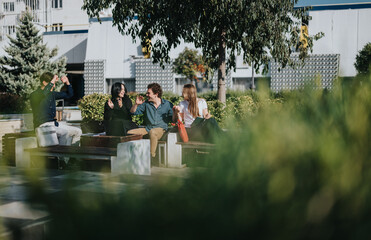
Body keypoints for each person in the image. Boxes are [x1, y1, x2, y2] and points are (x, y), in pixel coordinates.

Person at [30, 72, 82, 146]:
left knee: (77, 131)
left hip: (54, 125)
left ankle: (73, 157)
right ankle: (61, 156)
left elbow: (69, 94)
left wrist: (67, 82)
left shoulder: (52, 94)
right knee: (64, 133)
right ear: (44, 83)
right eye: (52, 83)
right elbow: (44, 93)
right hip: (42, 126)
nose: (53, 86)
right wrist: (53, 79)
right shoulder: (35, 95)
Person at [127, 83, 173, 158]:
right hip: (147, 129)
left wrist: (176, 113)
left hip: (160, 129)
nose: (146, 94)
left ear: (156, 94)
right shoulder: (146, 104)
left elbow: (173, 119)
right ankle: (132, 156)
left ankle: (151, 157)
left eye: (149, 93)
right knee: (129, 133)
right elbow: (133, 112)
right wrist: (136, 104)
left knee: (153, 132)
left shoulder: (167, 104)